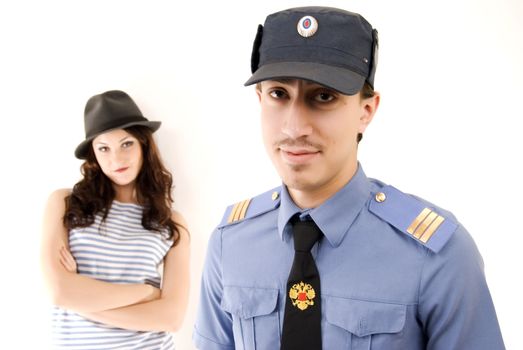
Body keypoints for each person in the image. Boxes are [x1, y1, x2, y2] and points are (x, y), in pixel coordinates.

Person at [193, 6, 505, 350]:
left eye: (323, 97)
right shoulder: (230, 242)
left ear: (366, 111)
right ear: (259, 98)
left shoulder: (437, 254)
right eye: (279, 94)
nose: (294, 127)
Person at [41, 90, 190, 349]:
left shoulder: (171, 223)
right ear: (94, 156)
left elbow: (172, 318)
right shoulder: (65, 204)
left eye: (126, 144)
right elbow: (59, 292)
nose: (116, 159)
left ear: (144, 144)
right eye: (104, 148)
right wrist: (145, 293)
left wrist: (84, 303)